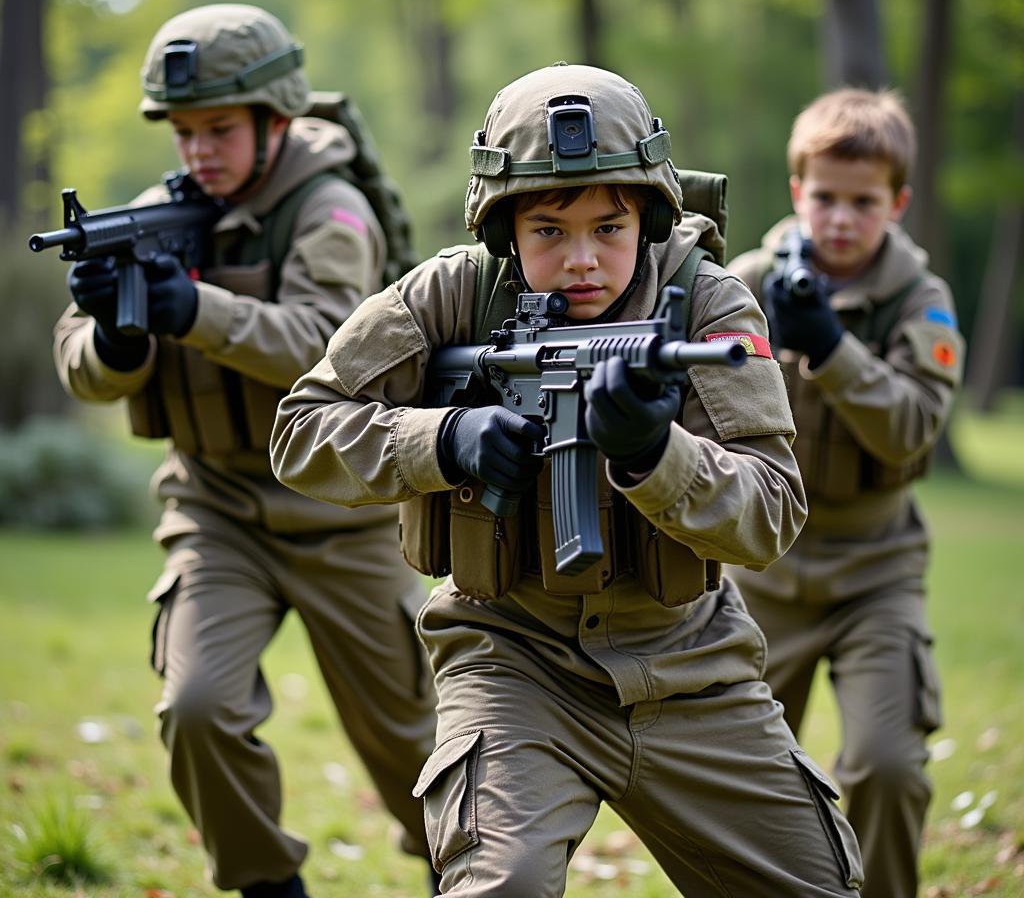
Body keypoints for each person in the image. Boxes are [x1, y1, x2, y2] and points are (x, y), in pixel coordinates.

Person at [270, 62, 865, 897]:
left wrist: (654, 456)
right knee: (499, 887)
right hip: (511, 658)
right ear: (503, 229)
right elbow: (301, 432)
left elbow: (770, 511)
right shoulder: (450, 294)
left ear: (651, 220)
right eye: (548, 230)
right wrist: (445, 438)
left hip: (690, 664)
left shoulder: (710, 309)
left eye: (608, 228)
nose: (581, 261)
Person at [52, 4, 439, 898]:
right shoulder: (153, 218)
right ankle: (267, 885)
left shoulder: (331, 209)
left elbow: (329, 339)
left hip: (343, 513)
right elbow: (79, 366)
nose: (199, 152)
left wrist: (192, 309)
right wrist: (117, 334)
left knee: (413, 742)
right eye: (184, 132)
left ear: (277, 118)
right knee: (196, 708)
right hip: (216, 508)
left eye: (219, 129)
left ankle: (464, 871)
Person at [725, 87, 966, 898]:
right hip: (763, 566)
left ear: (895, 204)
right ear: (798, 192)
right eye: (824, 197)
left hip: (876, 571)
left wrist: (830, 348)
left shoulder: (919, 300)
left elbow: (910, 428)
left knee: (888, 766)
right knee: (740, 780)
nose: (839, 218)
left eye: (862, 202)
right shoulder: (750, 281)